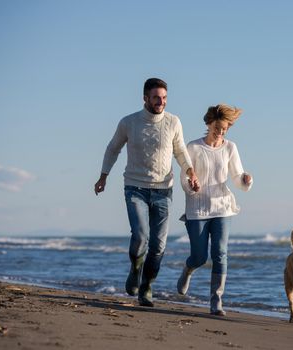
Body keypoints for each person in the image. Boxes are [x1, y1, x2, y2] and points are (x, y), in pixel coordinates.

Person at [94, 78, 199, 307]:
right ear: (145, 98)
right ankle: (135, 267)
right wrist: (104, 176)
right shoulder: (129, 122)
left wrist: (190, 171)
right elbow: (113, 148)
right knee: (141, 236)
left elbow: (180, 150)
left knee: (159, 245)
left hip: (164, 190)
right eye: (156, 98)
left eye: (164, 98)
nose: (161, 102)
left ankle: (147, 286)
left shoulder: (173, 122)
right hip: (135, 187)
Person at [176, 103, 253, 316]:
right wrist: (191, 185)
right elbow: (184, 176)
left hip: (222, 208)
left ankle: (216, 301)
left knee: (220, 253)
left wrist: (245, 179)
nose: (220, 132)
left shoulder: (230, 147)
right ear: (209, 123)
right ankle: (188, 269)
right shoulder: (193, 147)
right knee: (199, 257)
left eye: (225, 129)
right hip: (198, 209)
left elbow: (237, 177)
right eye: (217, 127)